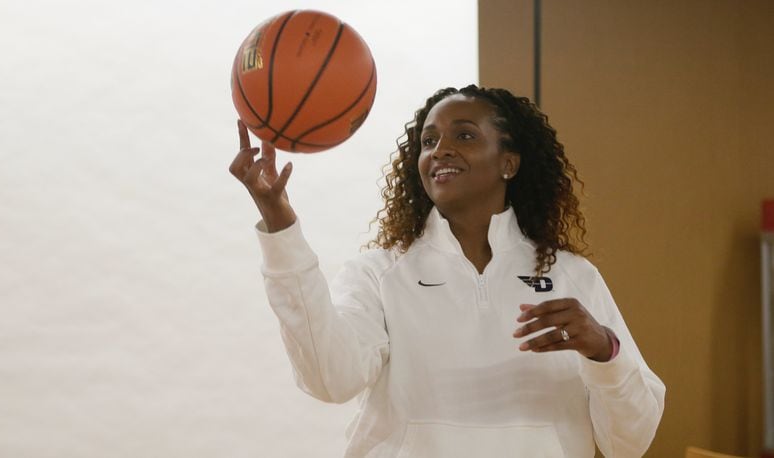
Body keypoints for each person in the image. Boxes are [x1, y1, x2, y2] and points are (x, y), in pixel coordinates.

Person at [229, 85, 665, 458]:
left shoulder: (573, 276)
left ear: (508, 162)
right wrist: (280, 222)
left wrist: (604, 352)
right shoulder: (379, 272)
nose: (441, 150)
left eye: (465, 135)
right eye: (429, 141)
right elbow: (331, 379)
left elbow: (630, 442)